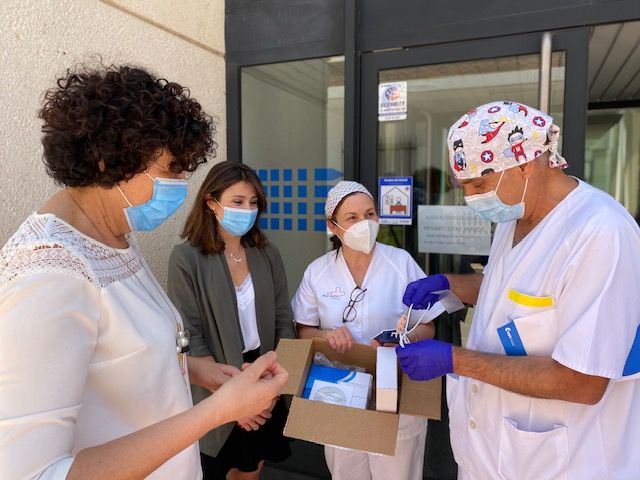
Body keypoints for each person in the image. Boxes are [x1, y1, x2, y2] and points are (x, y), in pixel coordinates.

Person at [0, 64, 288, 480]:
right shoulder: (48, 274)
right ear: (108, 159)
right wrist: (218, 413)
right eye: (172, 168)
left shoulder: (113, 235)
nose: (181, 183)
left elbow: (117, 366)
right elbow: (34, 473)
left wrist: (199, 372)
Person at [398, 100, 640, 479]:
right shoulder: (517, 216)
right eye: (464, 187)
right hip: (488, 456)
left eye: (479, 184)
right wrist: (450, 287)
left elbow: (584, 380)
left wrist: (454, 360)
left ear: (525, 163)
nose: (471, 198)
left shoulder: (599, 232)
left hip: (562, 462)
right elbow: (509, 291)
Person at [292, 180, 442, 480]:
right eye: (352, 217)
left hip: (397, 392)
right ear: (333, 227)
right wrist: (326, 336)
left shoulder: (401, 263)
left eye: (370, 214)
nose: (365, 223)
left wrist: (404, 336)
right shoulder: (317, 272)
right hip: (341, 393)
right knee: (346, 473)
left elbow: (429, 327)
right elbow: (303, 330)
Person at [167, 160, 295, 479]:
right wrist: (235, 399)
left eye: (253, 203)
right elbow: (190, 332)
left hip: (265, 371)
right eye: (237, 202)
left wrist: (271, 388)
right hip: (216, 378)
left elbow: (283, 320)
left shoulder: (267, 254)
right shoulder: (187, 258)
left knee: (254, 466)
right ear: (211, 202)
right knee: (219, 469)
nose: (247, 210)